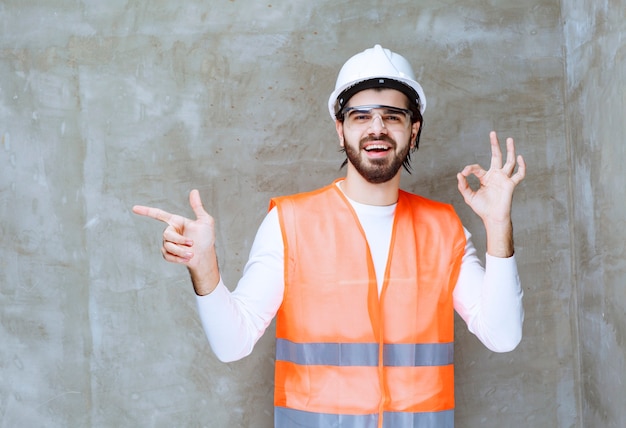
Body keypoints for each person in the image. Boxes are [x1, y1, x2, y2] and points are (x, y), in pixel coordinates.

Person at [133, 44, 526, 428]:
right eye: (360, 116)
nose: (377, 128)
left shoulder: (444, 227)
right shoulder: (290, 222)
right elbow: (232, 344)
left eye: (392, 116)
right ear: (341, 130)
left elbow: (503, 336)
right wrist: (204, 267)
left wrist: (498, 225)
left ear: (413, 128)